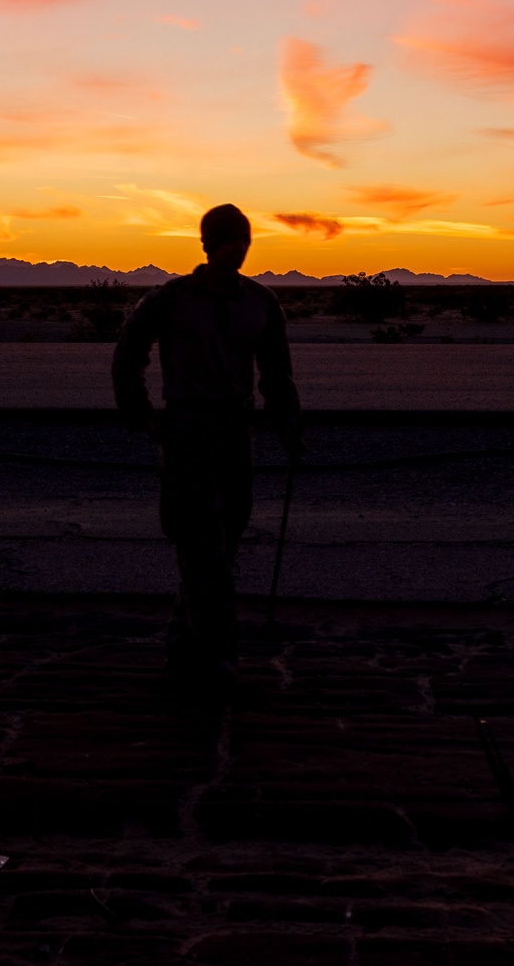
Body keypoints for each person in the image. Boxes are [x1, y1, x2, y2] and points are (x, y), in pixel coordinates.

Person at [112, 203, 301, 687]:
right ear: (206, 244)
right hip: (187, 435)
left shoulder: (260, 303)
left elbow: (276, 372)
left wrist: (287, 424)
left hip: (237, 434)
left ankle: (183, 639)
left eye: (244, 239)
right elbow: (129, 352)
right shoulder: (170, 299)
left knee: (227, 537)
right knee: (202, 545)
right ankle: (218, 653)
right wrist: (142, 415)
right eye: (227, 238)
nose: (237, 247)